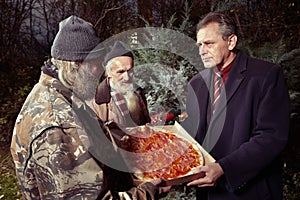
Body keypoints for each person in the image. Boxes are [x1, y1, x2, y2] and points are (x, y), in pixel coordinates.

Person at [10, 15, 167, 199]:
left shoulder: (59, 94)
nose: (100, 73)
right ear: (77, 65)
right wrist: (147, 193)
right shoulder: (59, 125)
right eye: (96, 65)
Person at [181, 12, 290, 199]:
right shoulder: (196, 84)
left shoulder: (266, 75)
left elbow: (271, 137)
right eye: (199, 44)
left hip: (250, 191)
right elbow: (195, 136)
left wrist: (224, 168)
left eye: (209, 43)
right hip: (208, 192)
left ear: (231, 42)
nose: (201, 51)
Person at [95, 41, 151, 127]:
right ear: (109, 72)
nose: (127, 77)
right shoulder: (97, 99)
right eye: (120, 72)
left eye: (130, 71)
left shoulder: (138, 92)